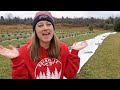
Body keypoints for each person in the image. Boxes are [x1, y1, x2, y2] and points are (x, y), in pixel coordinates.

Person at [0, 11, 88, 79]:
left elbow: (69, 74)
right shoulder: (24, 51)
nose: (45, 28)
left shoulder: (62, 48)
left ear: (53, 28)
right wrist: (16, 61)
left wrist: (74, 53)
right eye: (40, 25)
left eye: (49, 24)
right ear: (35, 30)